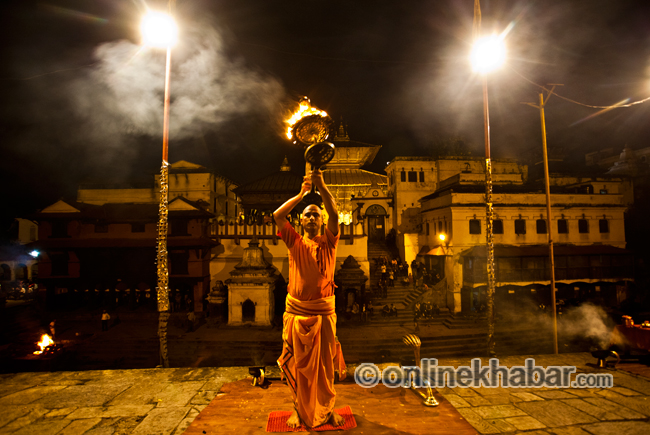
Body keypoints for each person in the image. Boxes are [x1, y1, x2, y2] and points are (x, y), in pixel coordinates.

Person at [274, 168, 346, 429]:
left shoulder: (329, 241)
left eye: (317, 214)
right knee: (297, 366)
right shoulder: (293, 241)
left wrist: (322, 186)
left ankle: (327, 411)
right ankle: (297, 410)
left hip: (324, 313)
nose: (313, 217)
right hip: (297, 311)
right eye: (308, 214)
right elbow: (277, 215)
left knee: (326, 367)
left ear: (322, 221)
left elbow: (336, 213)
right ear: (301, 221)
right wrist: (302, 193)